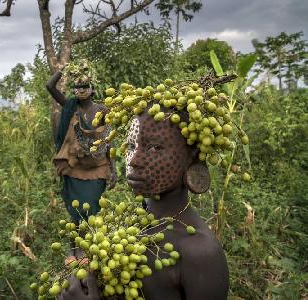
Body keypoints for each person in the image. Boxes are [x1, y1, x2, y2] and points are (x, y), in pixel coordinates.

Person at [58, 107, 229, 299]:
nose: (134, 161)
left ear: (193, 157)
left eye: (155, 147)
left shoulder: (201, 252)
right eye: (131, 146)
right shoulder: (121, 229)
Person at [46, 66, 117, 262]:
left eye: (85, 86)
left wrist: (113, 168)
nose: (81, 90)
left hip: (97, 167)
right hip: (74, 166)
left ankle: (88, 249)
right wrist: (63, 69)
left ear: (93, 88)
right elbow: (49, 85)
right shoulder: (71, 106)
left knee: (91, 209)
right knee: (75, 212)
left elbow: (109, 139)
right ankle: (73, 250)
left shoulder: (102, 110)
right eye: (77, 87)